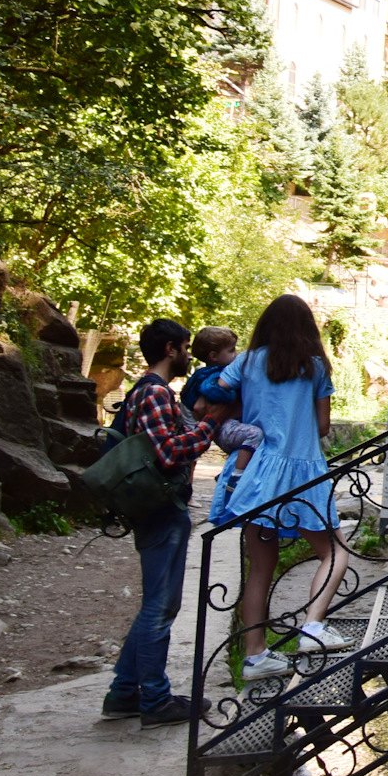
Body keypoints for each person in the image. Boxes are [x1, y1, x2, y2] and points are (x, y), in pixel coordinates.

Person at [212, 294, 351, 681]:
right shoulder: (315, 366)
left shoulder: (248, 361)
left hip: (256, 473)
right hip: (301, 472)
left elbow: (218, 389)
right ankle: (312, 627)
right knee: (335, 552)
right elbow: (322, 428)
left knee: (260, 567)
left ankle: (255, 657)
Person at [101, 318, 224, 726]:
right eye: (186, 347)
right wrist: (211, 424)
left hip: (155, 509)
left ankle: (123, 693)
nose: (190, 354)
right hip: (160, 510)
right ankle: (154, 698)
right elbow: (169, 453)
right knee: (161, 606)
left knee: (157, 603)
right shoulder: (154, 393)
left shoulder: (146, 391)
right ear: (171, 349)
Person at [182, 328, 265, 517]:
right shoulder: (213, 374)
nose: (236, 355)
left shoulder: (209, 371)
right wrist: (230, 394)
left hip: (222, 426)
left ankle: (228, 474)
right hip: (223, 425)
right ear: (213, 356)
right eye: (231, 351)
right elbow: (210, 390)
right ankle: (236, 476)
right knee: (255, 434)